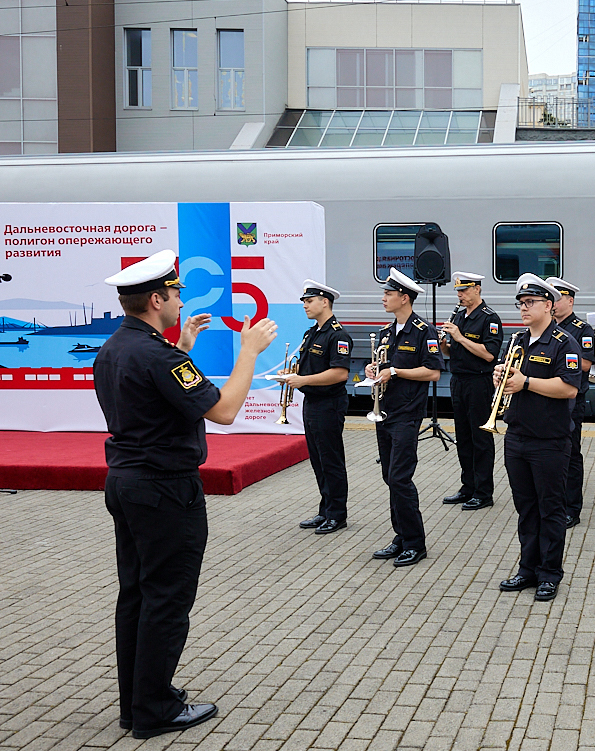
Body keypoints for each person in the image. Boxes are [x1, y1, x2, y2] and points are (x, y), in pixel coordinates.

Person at [95, 249, 277, 739]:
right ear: (156, 299)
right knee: (168, 598)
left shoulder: (117, 346)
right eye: (175, 294)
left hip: (127, 483)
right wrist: (249, 352)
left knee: (136, 593)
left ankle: (137, 702)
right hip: (164, 490)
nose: (179, 300)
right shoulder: (161, 355)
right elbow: (221, 411)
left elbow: (156, 395)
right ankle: (154, 709)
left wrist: (183, 347)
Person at [495, 273, 584, 602]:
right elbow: (511, 381)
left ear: (549, 305)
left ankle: (550, 573)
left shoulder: (564, 343)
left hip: (549, 440)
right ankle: (527, 568)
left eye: (530, 302)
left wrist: (526, 382)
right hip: (517, 436)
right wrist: (501, 378)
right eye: (521, 303)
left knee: (550, 509)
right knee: (526, 508)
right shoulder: (517, 341)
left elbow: (569, 388)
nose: (523, 307)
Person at [367, 268, 443, 568]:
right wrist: (375, 371)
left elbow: (434, 371)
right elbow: (382, 366)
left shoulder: (425, 331)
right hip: (385, 412)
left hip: (408, 414)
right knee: (389, 477)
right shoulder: (387, 333)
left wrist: (396, 371)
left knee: (400, 478)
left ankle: (415, 542)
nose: (384, 298)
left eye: (389, 293)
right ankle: (400, 536)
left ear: (405, 298)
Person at [288, 280, 352, 535]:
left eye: (309, 300)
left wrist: (302, 380)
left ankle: (337, 515)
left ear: (325, 302)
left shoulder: (338, 335)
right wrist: (291, 374)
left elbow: (339, 374)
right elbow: (308, 368)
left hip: (329, 404)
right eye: (305, 301)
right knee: (318, 460)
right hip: (312, 402)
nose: (305, 305)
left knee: (331, 460)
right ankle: (325, 509)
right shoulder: (312, 333)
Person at [440, 271, 504, 511]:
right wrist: (445, 344)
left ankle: (484, 492)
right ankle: (467, 487)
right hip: (458, 380)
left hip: (479, 382)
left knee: (480, 438)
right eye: (458, 291)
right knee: (463, 437)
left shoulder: (489, 318)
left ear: (477, 289)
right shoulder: (458, 314)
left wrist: (460, 336)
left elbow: (489, 354)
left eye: (464, 290)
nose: (460, 295)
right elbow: (453, 352)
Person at [547, 276, 595, 528]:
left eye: (558, 299)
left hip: (572, 401)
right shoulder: (548, 328)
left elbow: (587, 364)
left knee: (571, 456)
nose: (553, 304)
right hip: (549, 399)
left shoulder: (582, 329)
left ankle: (572, 508)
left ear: (570, 300)